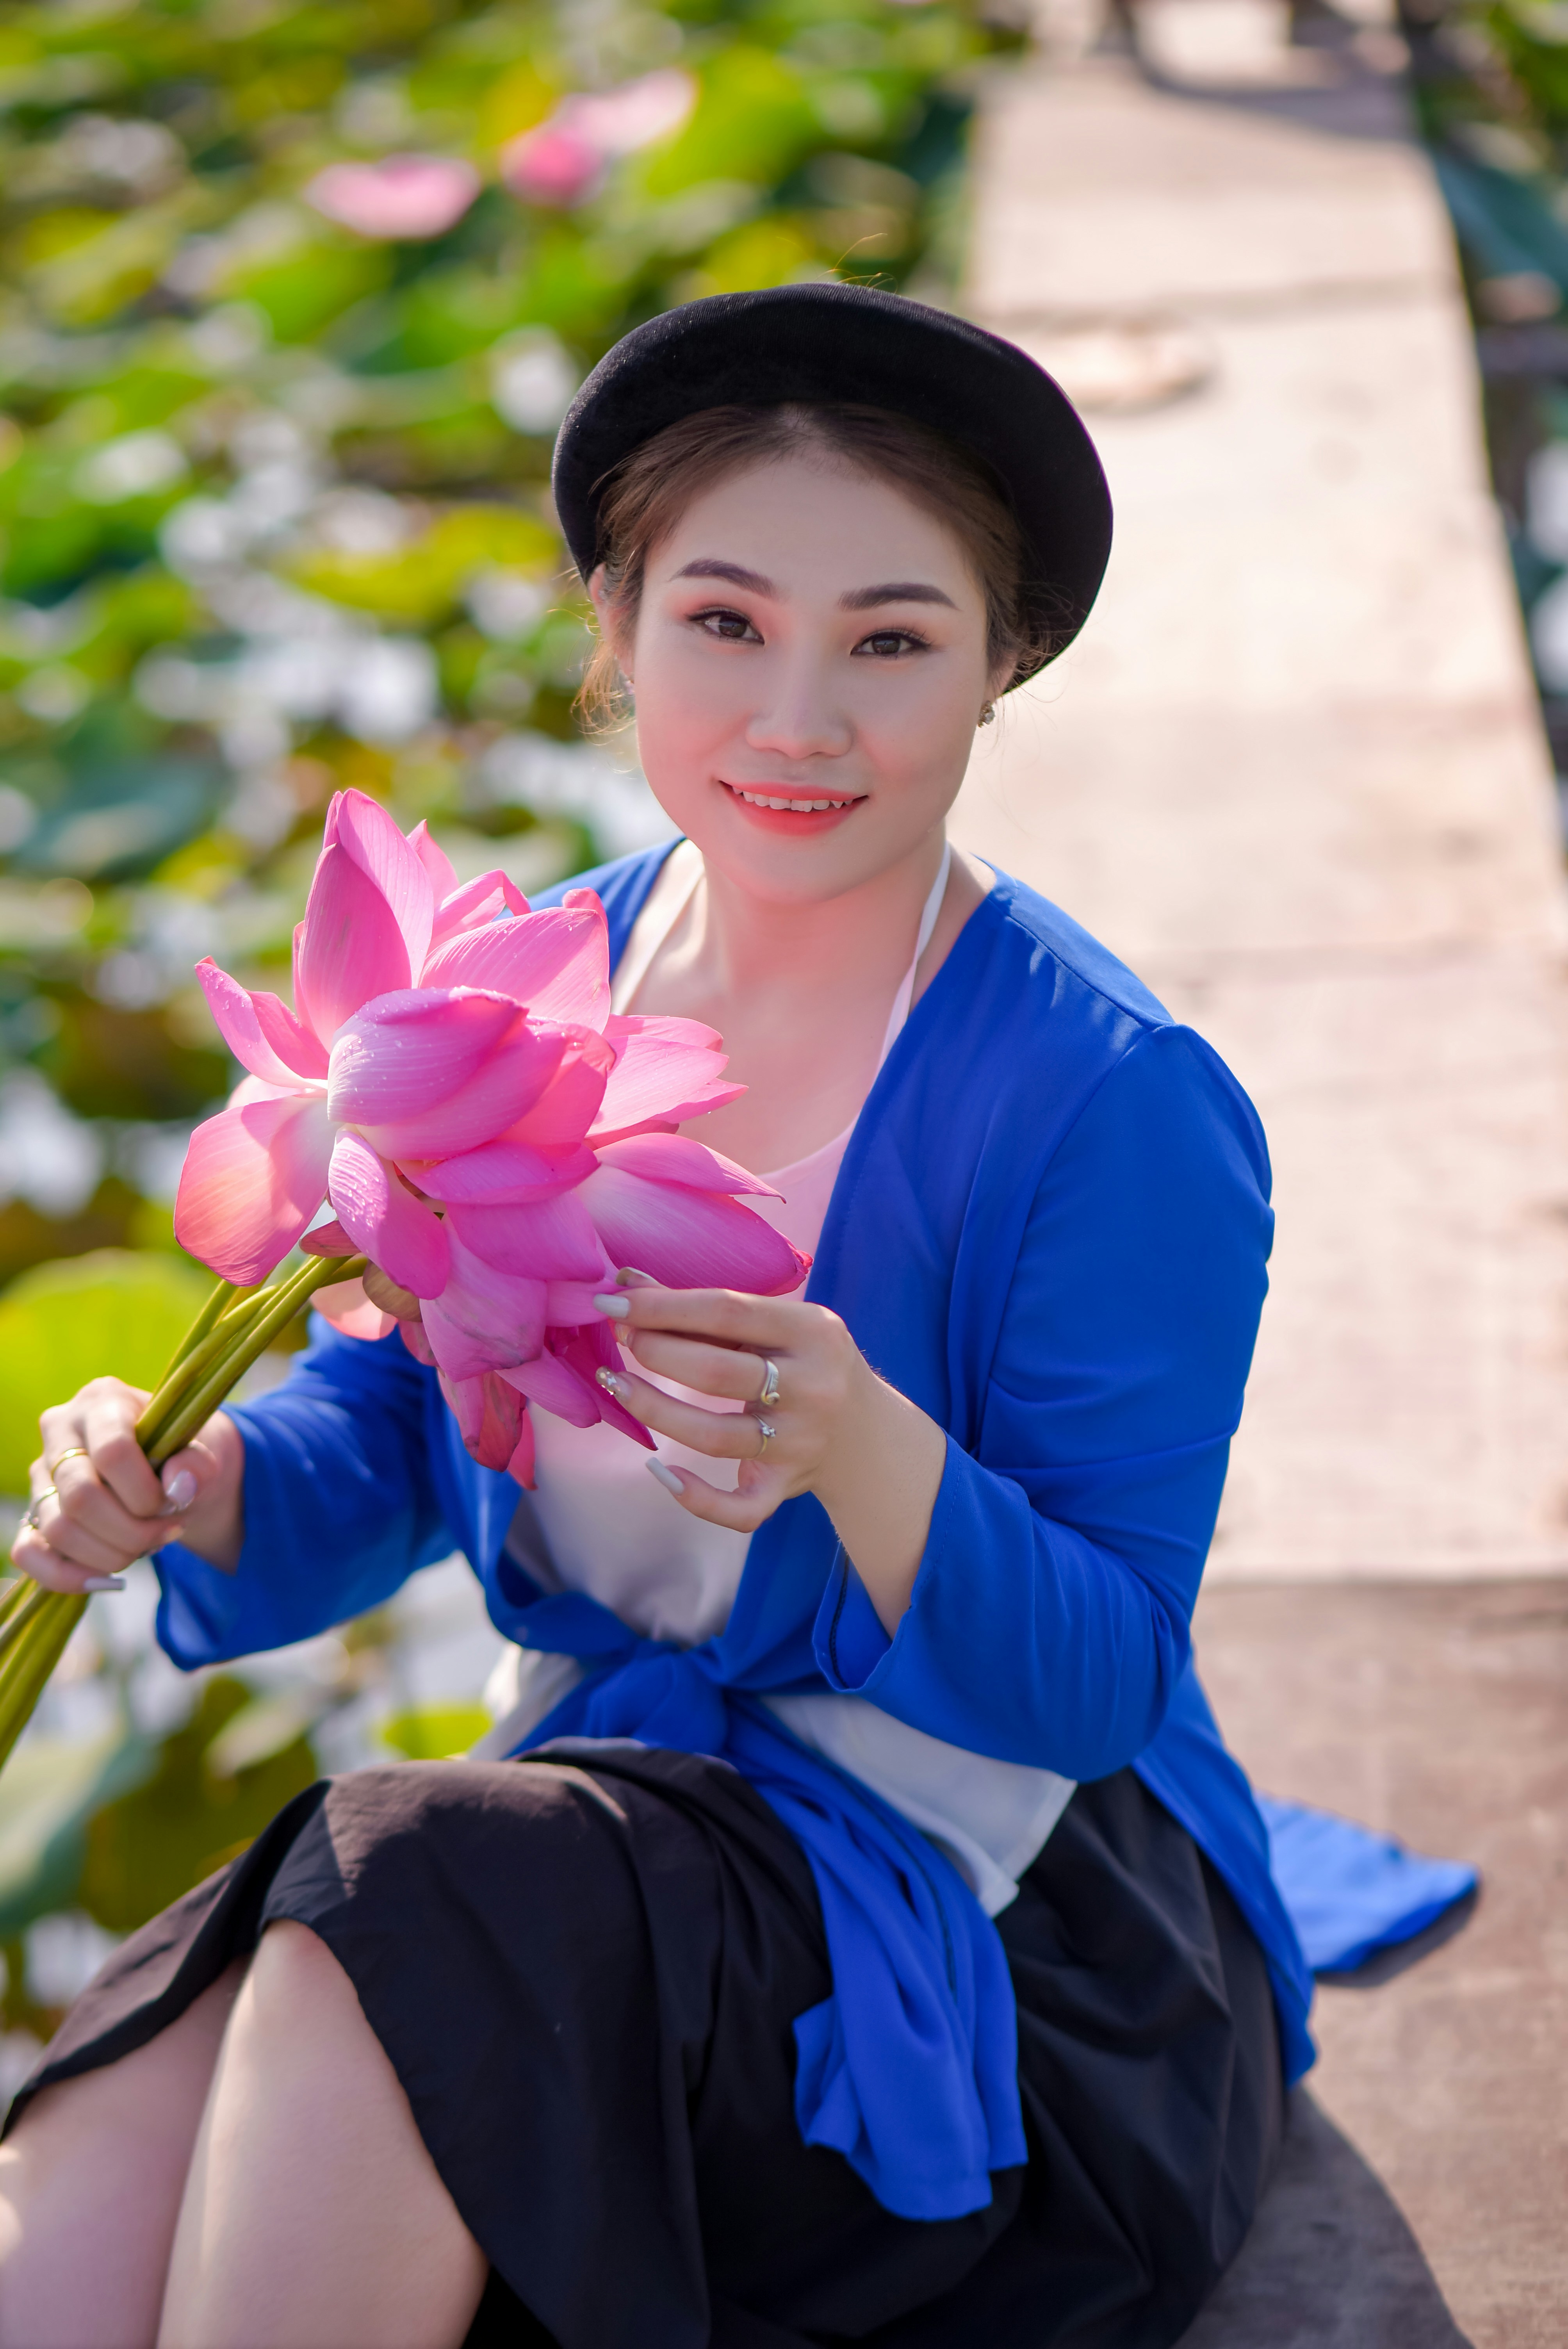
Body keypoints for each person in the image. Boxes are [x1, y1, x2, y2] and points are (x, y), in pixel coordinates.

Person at [0, 284, 1312, 2349]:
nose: (801, 721)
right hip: (614, 1820)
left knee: (401, 1895)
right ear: (613, 642)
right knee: (129, 2130)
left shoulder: (1113, 1100)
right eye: (723, 624)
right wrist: (205, 1478)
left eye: (893, 640)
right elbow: (407, 1423)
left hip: (1005, 1926)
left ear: (1003, 672)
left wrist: (870, 1455)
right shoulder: (523, 983)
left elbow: (1101, 1682)